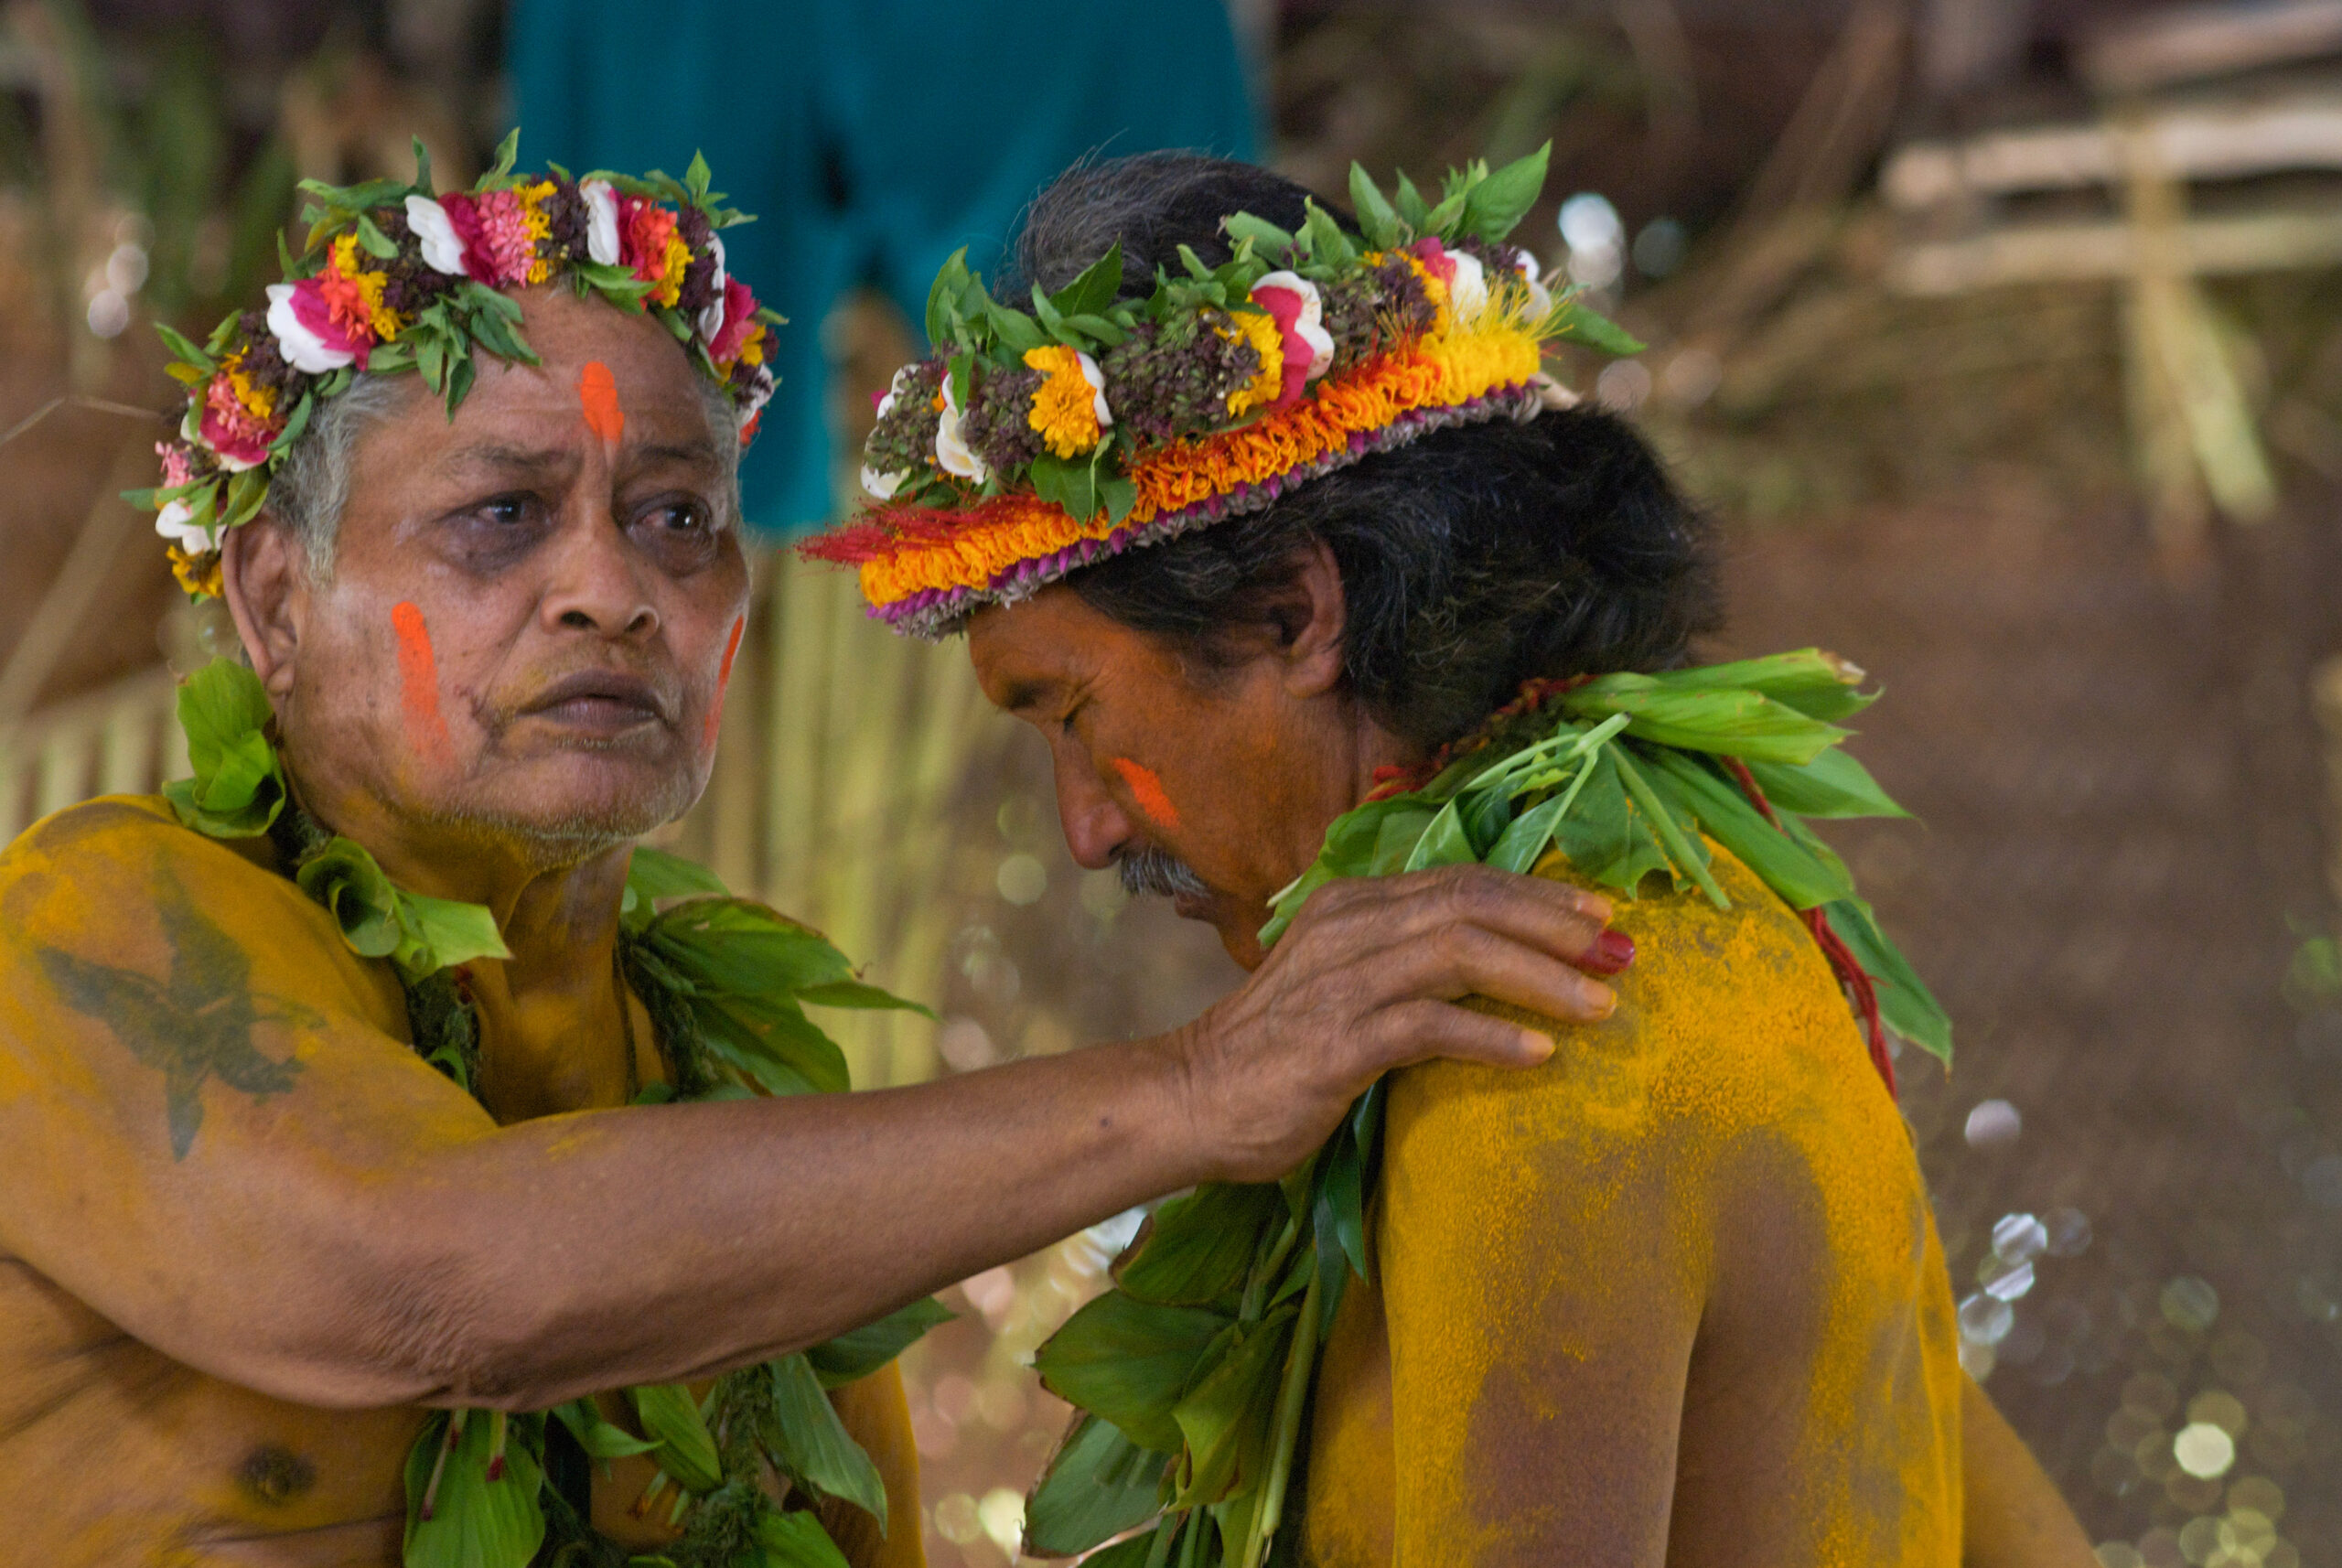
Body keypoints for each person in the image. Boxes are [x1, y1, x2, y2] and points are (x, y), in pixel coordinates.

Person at [0, 148, 1634, 1568]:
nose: (611, 591)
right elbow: (436, 1282)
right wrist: (1204, 1089)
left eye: (677, 517)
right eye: (502, 516)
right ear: (275, 602)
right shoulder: (83, 928)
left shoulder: (746, 1126)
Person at [806, 151, 2100, 1565]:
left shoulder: (1532, 1043)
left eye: (1069, 711)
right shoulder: (1713, 930)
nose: (1086, 825)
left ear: (1300, 616)